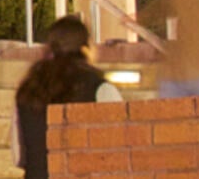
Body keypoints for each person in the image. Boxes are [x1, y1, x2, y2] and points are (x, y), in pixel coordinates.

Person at [14, 16, 122, 179]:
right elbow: (120, 145)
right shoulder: (98, 87)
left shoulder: (28, 88)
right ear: (85, 49)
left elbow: (17, 154)